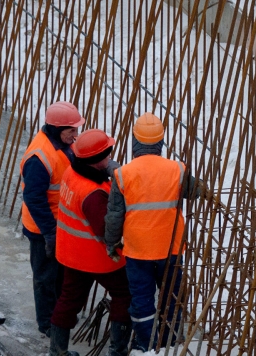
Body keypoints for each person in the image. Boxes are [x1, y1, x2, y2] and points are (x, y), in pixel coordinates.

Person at [105, 113, 202, 352]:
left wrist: (111, 243)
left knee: (142, 300)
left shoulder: (123, 174)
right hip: (171, 248)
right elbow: (196, 191)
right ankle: (168, 344)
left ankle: (147, 344)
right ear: (160, 143)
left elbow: (115, 216)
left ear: (135, 142)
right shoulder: (176, 169)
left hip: (138, 250)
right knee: (171, 298)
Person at [49, 129, 132, 356]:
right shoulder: (93, 195)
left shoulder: (72, 173)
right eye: (107, 154)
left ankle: (57, 351)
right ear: (97, 160)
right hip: (97, 259)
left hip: (71, 253)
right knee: (125, 293)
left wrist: (110, 172)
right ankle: (118, 351)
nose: (110, 157)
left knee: (69, 299)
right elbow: (107, 231)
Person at [20, 101, 84, 337]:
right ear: (58, 129)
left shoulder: (62, 144)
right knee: (45, 277)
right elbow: (34, 198)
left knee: (60, 275)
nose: (76, 135)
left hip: (61, 225)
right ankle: (47, 323)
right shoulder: (39, 157)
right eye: (72, 130)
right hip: (43, 229)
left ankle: (58, 316)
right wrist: (49, 232)